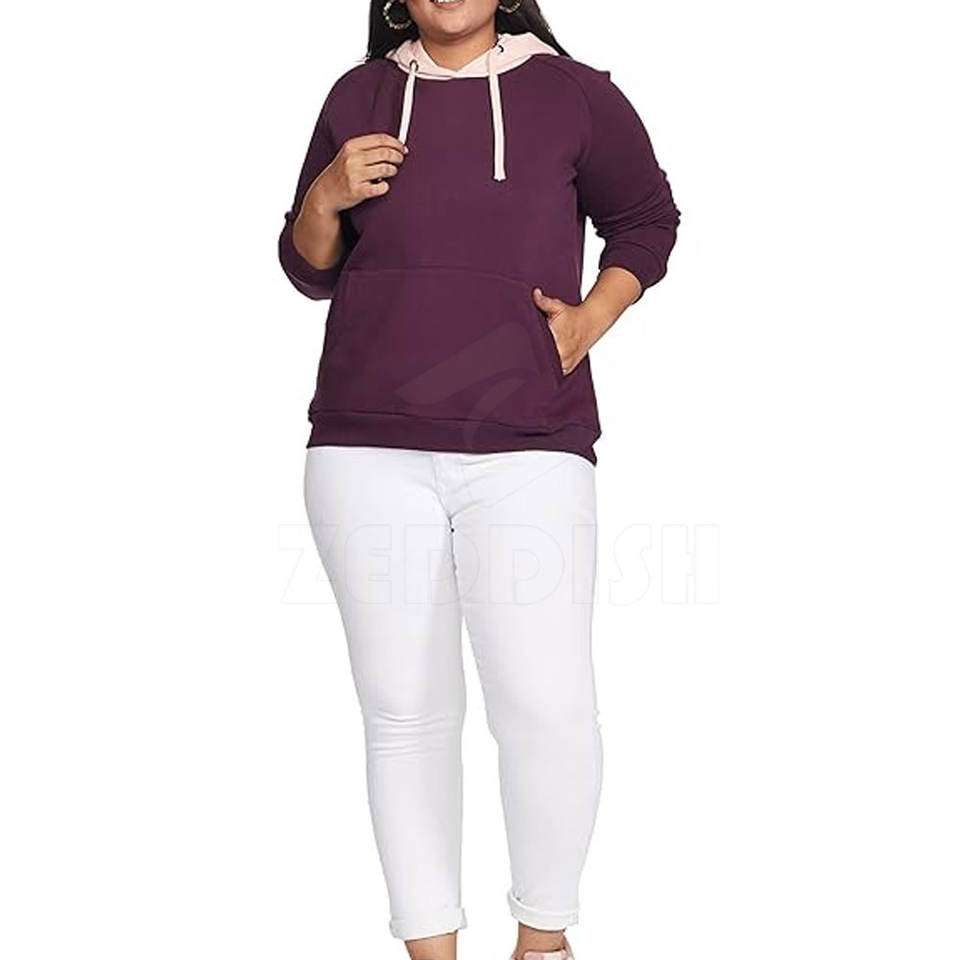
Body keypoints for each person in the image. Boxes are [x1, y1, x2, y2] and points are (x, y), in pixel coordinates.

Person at [278, 2, 679, 957]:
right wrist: (325, 197)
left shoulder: (576, 94)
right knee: (404, 710)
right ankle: (430, 948)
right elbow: (308, 268)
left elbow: (646, 221)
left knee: (546, 703)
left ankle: (543, 940)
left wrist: (589, 319)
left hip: (529, 440)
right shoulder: (358, 94)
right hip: (366, 443)